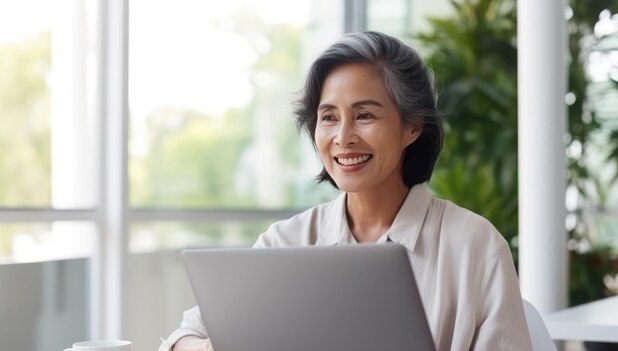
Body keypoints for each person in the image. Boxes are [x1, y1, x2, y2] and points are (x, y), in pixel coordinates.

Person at [160, 31, 532, 351]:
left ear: (412, 126)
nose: (343, 138)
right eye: (329, 117)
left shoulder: (474, 246)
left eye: (365, 115)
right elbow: (183, 336)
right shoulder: (286, 243)